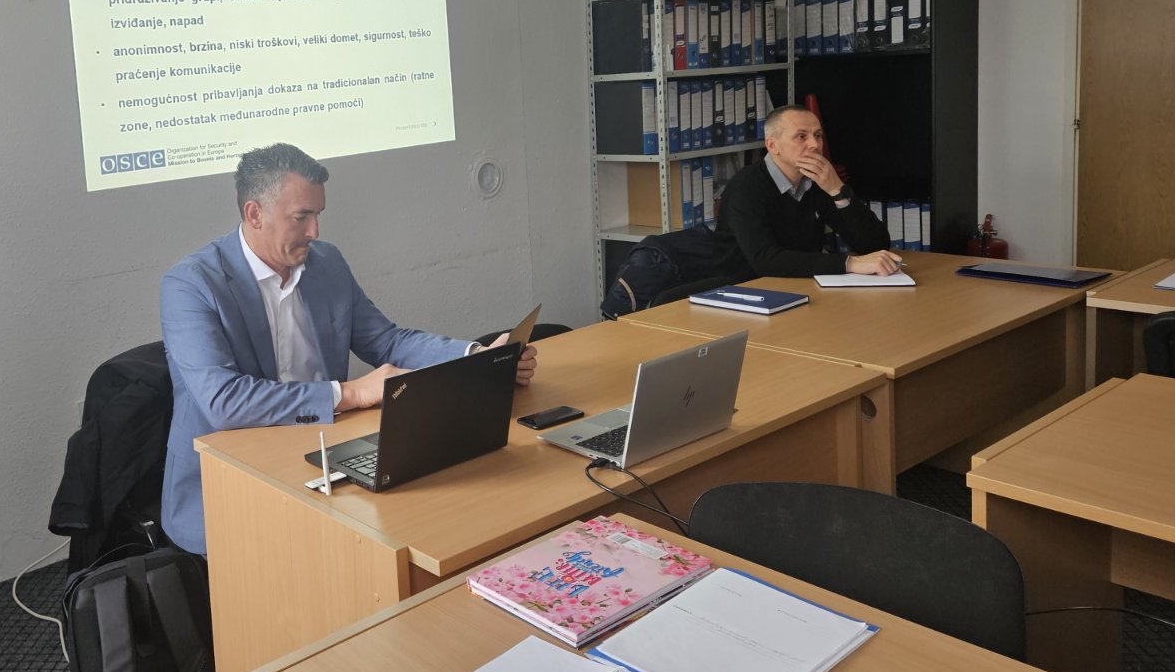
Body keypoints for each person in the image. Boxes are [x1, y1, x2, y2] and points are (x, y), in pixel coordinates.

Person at [159, 143, 537, 555]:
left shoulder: (326, 263)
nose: (315, 232)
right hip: (228, 484)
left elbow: (387, 341)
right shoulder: (191, 285)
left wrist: (477, 358)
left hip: (320, 454)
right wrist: (351, 393)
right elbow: (223, 401)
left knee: (436, 517)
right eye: (301, 217)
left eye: (318, 215)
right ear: (254, 214)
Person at [602, 104, 900, 316]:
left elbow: (875, 243)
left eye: (818, 135)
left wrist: (837, 191)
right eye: (802, 136)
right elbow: (766, 261)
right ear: (773, 145)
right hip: (743, 297)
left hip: (792, 292)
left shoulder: (817, 182)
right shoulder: (747, 187)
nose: (814, 145)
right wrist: (849, 263)